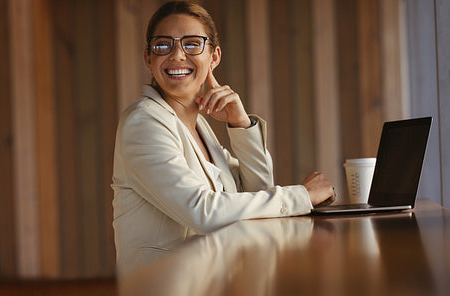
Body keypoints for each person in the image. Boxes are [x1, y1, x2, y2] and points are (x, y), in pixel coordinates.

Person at [112, 1, 335, 278]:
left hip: (210, 295)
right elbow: (202, 212)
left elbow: (257, 191)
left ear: (214, 57)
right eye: (162, 45)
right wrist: (301, 196)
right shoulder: (143, 122)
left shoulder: (200, 127)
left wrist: (240, 125)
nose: (177, 55)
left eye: (192, 44)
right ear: (148, 57)